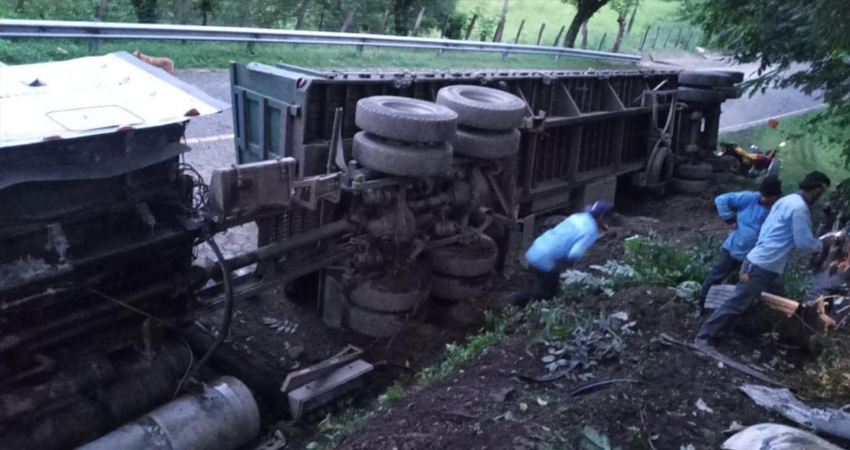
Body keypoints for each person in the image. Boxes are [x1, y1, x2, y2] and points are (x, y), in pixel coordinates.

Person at [695, 171, 831, 346]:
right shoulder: (799, 208)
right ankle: (704, 336)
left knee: (770, 299)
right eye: (821, 192)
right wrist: (823, 243)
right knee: (737, 302)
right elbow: (803, 242)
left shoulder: (786, 200)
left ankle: (736, 331)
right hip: (763, 264)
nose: (820, 197)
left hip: (763, 262)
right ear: (816, 189)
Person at [695, 177, 783, 317]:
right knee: (715, 277)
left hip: (755, 255)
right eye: (763, 195)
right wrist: (729, 219)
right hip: (732, 247)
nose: (764, 199)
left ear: (776, 196)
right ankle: (701, 305)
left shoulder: (779, 209)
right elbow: (721, 200)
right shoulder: (750, 198)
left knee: (752, 285)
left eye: (768, 197)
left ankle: (749, 314)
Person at [509, 200, 613, 308]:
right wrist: (562, 267)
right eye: (607, 218)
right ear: (601, 217)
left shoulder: (579, 216)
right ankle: (515, 300)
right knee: (547, 294)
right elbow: (575, 253)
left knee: (546, 284)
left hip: (537, 247)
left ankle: (525, 301)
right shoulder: (591, 231)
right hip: (546, 258)